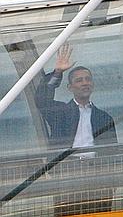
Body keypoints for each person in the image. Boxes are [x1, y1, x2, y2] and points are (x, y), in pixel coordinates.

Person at [35, 43, 117, 215]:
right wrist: (57, 72)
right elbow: (41, 100)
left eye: (88, 79)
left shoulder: (104, 117)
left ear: (93, 85)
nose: (85, 83)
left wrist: (111, 180)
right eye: (79, 80)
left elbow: (112, 152)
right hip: (67, 172)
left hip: (97, 173)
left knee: (99, 213)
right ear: (70, 88)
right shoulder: (60, 112)